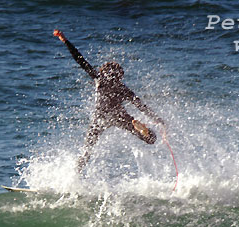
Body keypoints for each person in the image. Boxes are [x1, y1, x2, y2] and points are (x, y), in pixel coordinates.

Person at [53, 29, 165, 173]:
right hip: (119, 116)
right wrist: (158, 119)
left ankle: (73, 176)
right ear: (120, 77)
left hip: (100, 117)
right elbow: (141, 106)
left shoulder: (99, 79)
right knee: (151, 140)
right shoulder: (124, 89)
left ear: (104, 72)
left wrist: (65, 41)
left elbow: (80, 59)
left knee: (87, 150)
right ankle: (145, 130)